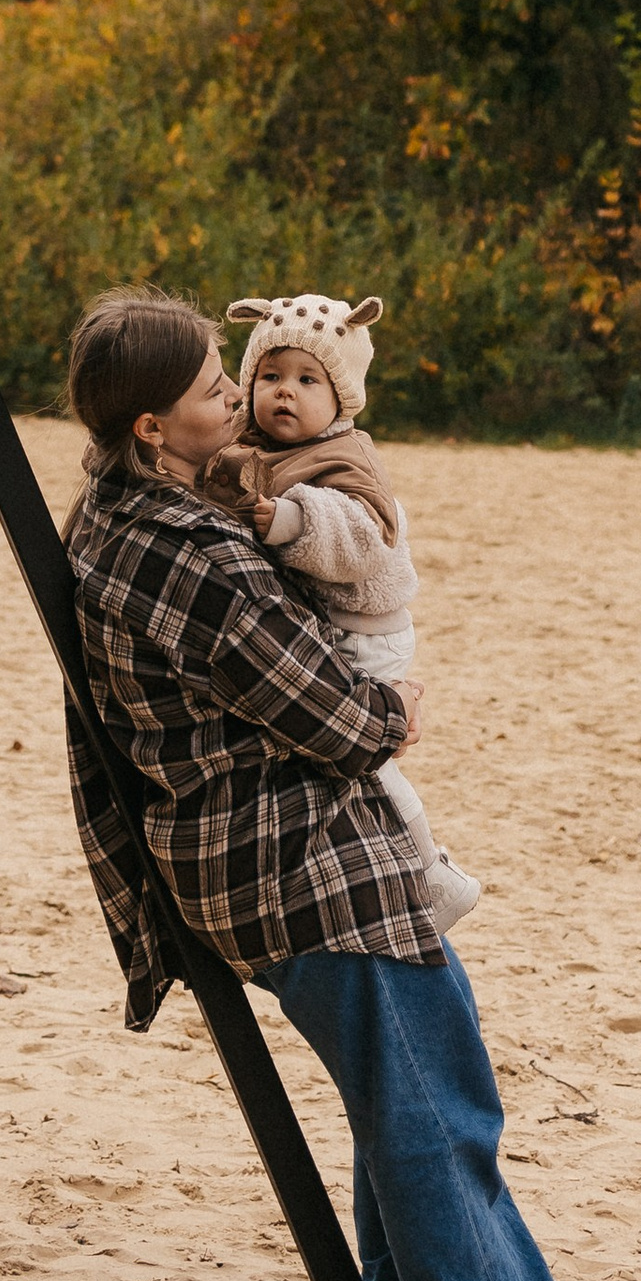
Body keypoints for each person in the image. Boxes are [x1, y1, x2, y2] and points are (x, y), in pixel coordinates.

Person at [59, 283, 641, 1281]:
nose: (237, 395)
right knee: (438, 1107)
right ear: (152, 424)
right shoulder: (199, 555)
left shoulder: (107, 511)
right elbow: (339, 719)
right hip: (301, 861)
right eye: (210, 387)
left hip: (226, 853)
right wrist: (392, 706)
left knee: (407, 1094)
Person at [199, 286, 482, 928]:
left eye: (306, 379)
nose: (284, 392)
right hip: (326, 625)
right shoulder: (252, 441)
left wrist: (288, 520)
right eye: (269, 375)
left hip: (365, 633)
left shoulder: (344, 456)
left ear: (341, 395)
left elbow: (363, 536)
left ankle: (431, 877)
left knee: (361, 762)